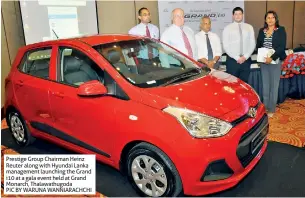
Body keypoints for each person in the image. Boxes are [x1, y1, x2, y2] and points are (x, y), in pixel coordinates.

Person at [256, 10, 287, 117]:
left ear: (276, 19)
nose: (270, 19)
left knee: (274, 86)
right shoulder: (262, 31)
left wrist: (272, 57)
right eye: (268, 18)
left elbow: (281, 47)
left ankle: (272, 109)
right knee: (265, 85)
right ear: (265, 19)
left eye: (272, 17)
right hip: (264, 62)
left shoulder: (280, 30)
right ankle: (265, 107)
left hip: (275, 61)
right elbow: (258, 45)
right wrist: (262, 57)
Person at [222, 7, 255, 83]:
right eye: (236, 14)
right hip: (232, 61)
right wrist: (237, 58)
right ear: (233, 16)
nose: (238, 16)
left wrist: (245, 57)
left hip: (246, 60)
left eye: (240, 14)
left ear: (242, 15)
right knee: (232, 85)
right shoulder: (227, 28)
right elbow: (226, 46)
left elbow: (252, 43)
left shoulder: (249, 27)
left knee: (244, 84)